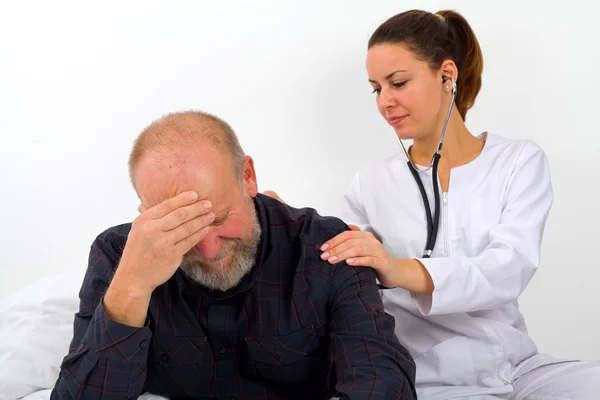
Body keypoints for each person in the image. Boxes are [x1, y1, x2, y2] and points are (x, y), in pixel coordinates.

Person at [266, 8, 599, 400]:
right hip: (430, 381)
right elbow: (342, 266)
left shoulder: (518, 160)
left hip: (518, 369)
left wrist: (396, 268)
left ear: (447, 75)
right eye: (376, 88)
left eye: (398, 82)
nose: (385, 101)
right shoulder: (371, 184)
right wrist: (288, 226)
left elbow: (508, 268)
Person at [50, 111, 417, 400]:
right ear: (146, 212)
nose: (208, 250)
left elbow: (384, 383)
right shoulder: (117, 256)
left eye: (221, 218)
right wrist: (131, 288)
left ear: (248, 176)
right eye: (183, 230)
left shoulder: (324, 247)